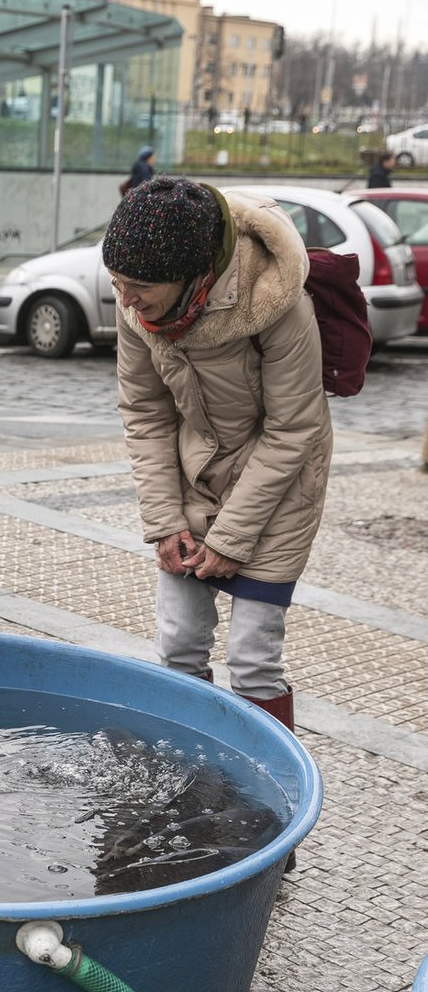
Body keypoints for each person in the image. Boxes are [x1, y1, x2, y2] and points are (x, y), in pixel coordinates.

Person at [101, 175, 333, 745]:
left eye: (139, 287)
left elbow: (293, 428)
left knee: (252, 658)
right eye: (117, 283)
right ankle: (189, 775)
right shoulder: (137, 308)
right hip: (193, 476)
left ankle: (270, 797)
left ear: (192, 275)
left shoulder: (277, 301)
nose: (126, 300)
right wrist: (166, 523)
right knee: (178, 646)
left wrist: (230, 538)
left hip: (279, 489)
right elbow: (146, 414)